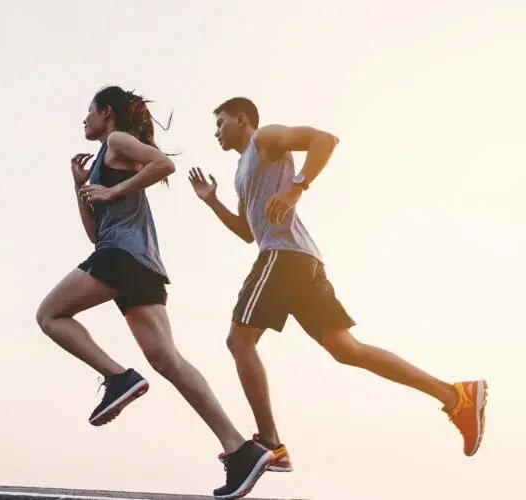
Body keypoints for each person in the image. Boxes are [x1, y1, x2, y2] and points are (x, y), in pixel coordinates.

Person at [187, 96, 488, 472]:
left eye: (220, 122)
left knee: (239, 340)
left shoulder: (264, 138)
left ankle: (271, 444)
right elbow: (247, 232)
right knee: (347, 349)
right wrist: (212, 201)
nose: (216, 132)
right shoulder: (241, 171)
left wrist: (296, 189)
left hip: (283, 256)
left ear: (241, 119)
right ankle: (455, 395)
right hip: (299, 259)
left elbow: (325, 139)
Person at [35, 86, 273, 499]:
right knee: (169, 360)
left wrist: (111, 191)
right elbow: (97, 234)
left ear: (106, 113)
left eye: (88, 113)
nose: (84, 121)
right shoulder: (101, 162)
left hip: (124, 259)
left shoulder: (118, 140)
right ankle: (240, 449)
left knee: (49, 315)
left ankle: (118, 377)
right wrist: (82, 188)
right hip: (138, 265)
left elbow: (163, 165)